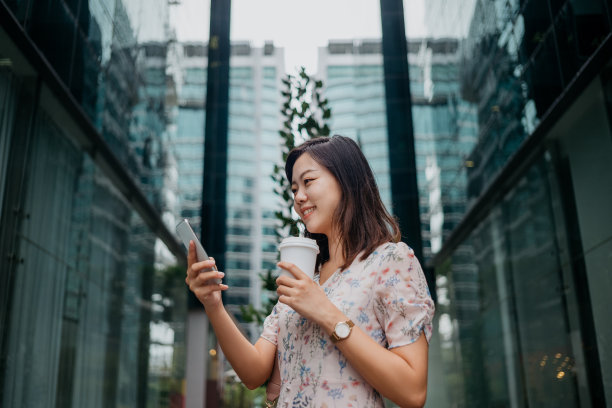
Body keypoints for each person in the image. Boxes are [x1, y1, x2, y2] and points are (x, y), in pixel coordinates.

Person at [185, 135, 435, 407]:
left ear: (346, 181)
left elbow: (412, 391)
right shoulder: (305, 277)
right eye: (293, 189)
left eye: (308, 182)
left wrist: (326, 313)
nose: (298, 197)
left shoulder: (391, 260)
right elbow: (254, 372)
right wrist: (213, 306)